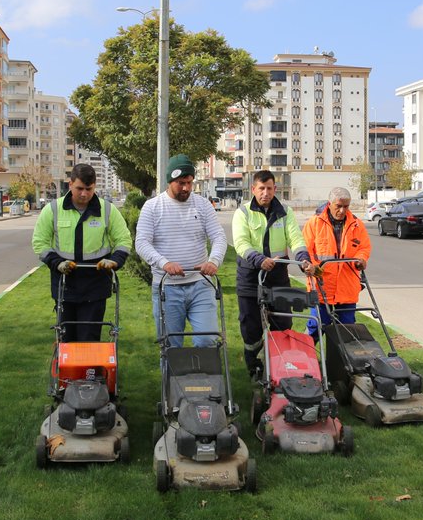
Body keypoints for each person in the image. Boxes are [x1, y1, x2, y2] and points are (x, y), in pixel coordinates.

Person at [136, 154, 228, 348]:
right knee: (170, 344)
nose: (186, 187)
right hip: (167, 287)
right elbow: (142, 243)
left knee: (207, 339)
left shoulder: (203, 205)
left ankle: (203, 377)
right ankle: (171, 378)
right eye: (180, 183)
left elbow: (219, 237)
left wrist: (214, 261)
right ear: (170, 181)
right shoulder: (152, 207)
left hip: (200, 285)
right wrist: (164, 263)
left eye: (189, 182)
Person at [32, 164, 131, 343]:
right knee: (66, 337)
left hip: (96, 282)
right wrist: (56, 262)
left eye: (89, 189)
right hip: (65, 281)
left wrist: (114, 261)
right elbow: (40, 242)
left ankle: (90, 371)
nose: (84, 194)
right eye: (79, 188)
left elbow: (124, 240)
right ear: (70, 185)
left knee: (89, 337)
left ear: (94, 187)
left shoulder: (107, 210)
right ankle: (67, 370)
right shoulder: (53, 209)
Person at [232, 170, 314, 378]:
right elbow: (241, 243)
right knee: (251, 328)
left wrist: (303, 257)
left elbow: (295, 239)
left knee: (283, 323)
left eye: (269, 188)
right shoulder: (243, 212)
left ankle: (281, 367)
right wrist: (259, 259)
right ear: (253, 189)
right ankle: (254, 365)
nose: (265, 193)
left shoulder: (285, 212)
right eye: (261, 188)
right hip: (251, 277)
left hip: (278, 277)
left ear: (275, 189)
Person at [303, 186, 371, 341]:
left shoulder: (357, 225)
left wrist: (361, 259)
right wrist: (314, 270)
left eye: (346, 207)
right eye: (338, 206)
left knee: (347, 329)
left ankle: (343, 364)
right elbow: (306, 251)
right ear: (330, 204)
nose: (342, 210)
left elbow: (364, 247)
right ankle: (304, 360)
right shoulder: (314, 224)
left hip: (347, 287)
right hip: (321, 286)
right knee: (317, 326)